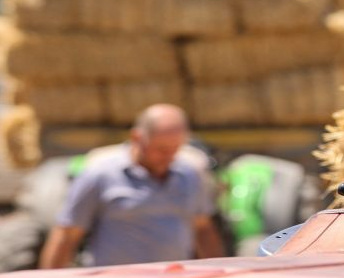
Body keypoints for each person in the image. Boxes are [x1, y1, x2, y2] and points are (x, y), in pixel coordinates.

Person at [39, 104, 224, 268]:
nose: (168, 157)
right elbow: (68, 233)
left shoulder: (189, 175)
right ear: (137, 137)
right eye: (160, 150)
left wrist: (220, 273)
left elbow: (202, 228)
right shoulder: (100, 174)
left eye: (174, 150)